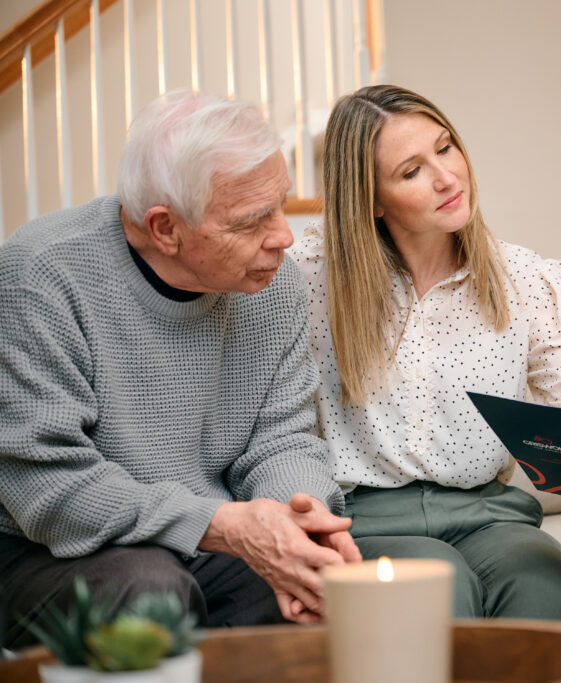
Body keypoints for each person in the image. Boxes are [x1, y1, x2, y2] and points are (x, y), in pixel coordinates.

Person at [0, 92, 361, 650]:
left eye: (281, 204)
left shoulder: (273, 283)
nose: (284, 237)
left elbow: (284, 439)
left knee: (319, 589)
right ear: (165, 228)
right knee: (151, 592)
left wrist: (301, 520)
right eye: (251, 221)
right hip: (43, 550)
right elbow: (51, 489)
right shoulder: (41, 274)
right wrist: (226, 525)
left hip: (202, 537)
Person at [291, 84, 561, 621]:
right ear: (371, 199)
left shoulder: (522, 278)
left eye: (445, 147)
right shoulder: (308, 279)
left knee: (542, 577)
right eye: (412, 171)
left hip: (488, 514)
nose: (447, 177)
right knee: (440, 582)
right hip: (365, 518)